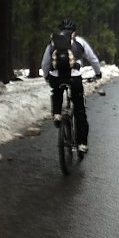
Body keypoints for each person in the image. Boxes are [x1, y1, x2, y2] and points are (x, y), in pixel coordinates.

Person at [40, 18, 102, 154]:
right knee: (79, 109)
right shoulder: (79, 42)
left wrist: (47, 76)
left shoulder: (53, 42)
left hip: (56, 77)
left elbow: (45, 63)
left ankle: (57, 113)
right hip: (74, 78)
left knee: (56, 92)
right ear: (75, 31)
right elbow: (93, 59)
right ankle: (82, 144)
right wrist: (98, 73)